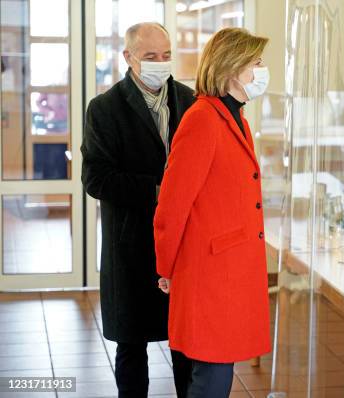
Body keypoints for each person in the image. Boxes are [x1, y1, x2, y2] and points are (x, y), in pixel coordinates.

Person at [154, 27, 271, 397]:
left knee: (218, 371)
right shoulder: (202, 118)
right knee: (212, 375)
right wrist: (166, 266)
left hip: (231, 269)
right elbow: (172, 205)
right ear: (233, 68)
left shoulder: (236, 117)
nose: (261, 70)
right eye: (257, 63)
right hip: (211, 272)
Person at [81, 22, 194, 398]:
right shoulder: (105, 108)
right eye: (150, 57)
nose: (161, 63)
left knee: (186, 345)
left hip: (182, 244)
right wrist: (160, 189)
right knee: (131, 345)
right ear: (128, 58)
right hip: (131, 245)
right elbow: (96, 178)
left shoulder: (190, 100)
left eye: (166, 56)